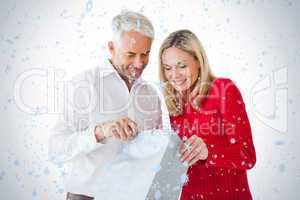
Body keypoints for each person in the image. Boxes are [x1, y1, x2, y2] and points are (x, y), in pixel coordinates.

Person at [48, 11, 162, 200]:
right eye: (131, 54)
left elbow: (154, 153)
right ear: (111, 47)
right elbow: (56, 148)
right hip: (88, 195)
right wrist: (100, 132)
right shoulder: (83, 85)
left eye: (146, 54)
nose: (139, 63)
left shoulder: (150, 94)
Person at [158, 29, 256, 200]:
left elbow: (247, 156)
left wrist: (208, 152)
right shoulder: (174, 103)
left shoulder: (223, 90)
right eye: (168, 68)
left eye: (182, 65)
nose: (174, 75)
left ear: (198, 61)